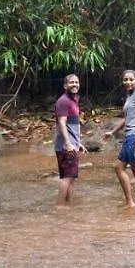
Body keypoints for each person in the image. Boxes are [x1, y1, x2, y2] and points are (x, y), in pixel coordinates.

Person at [104, 69, 135, 207]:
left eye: (131, 79)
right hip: (132, 134)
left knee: (118, 167)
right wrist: (112, 131)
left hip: (134, 135)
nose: (128, 82)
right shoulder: (130, 96)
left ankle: (130, 202)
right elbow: (126, 119)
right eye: (125, 80)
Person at [54, 73, 84, 206]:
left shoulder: (74, 100)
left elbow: (71, 126)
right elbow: (61, 122)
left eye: (76, 82)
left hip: (72, 144)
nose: (75, 85)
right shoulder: (63, 101)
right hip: (66, 146)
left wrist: (78, 143)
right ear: (65, 85)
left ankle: (69, 205)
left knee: (71, 178)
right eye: (71, 82)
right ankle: (60, 207)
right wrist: (68, 144)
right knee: (67, 177)